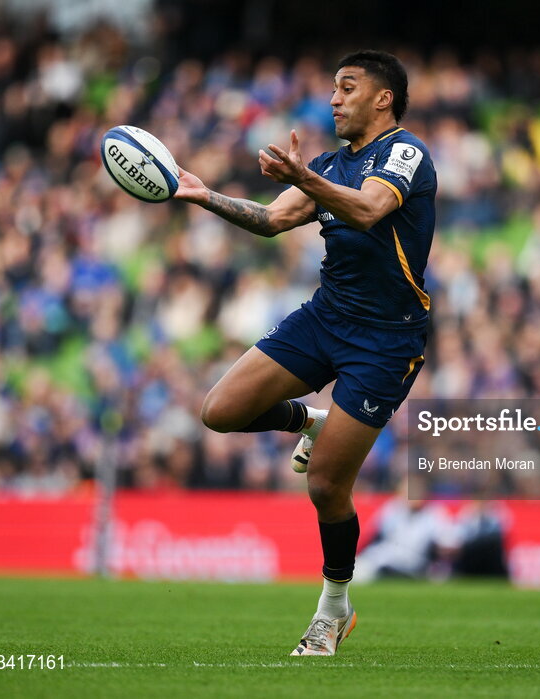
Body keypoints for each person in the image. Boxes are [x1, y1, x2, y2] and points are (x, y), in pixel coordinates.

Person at [173, 50, 436, 656]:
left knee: (324, 487)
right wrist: (205, 195)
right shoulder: (326, 164)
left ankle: (332, 609)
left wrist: (306, 179)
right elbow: (271, 220)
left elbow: (369, 209)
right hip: (325, 317)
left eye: (347, 88)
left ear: (383, 99)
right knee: (221, 410)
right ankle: (310, 420)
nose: (335, 99)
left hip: (386, 339)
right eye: (333, 89)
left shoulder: (405, 153)